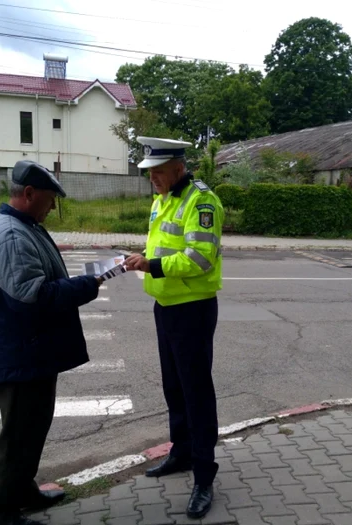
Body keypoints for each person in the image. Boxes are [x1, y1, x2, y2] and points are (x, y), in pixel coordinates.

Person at [0, 160, 103, 525]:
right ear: (28, 194)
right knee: (17, 435)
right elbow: (31, 295)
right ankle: (0, 513)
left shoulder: (23, 225)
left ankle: (22, 492)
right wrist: (87, 285)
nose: (52, 208)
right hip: (20, 351)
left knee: (31, 429)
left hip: (30, 348)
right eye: (49, 200)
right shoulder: (12, 235)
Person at [124, 137, 225, 519]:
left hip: (192, 308)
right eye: (149, 173)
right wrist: (141, 259)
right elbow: (162, 245)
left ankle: (203, 475)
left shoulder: (201, 201)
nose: (152, 179)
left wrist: (152, 266)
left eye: (158, 172)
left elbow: (199, 258)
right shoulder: (163, 198)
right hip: (165, 305)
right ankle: (181, 453)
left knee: (196, 392)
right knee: (174, 388)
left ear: (178, 167)